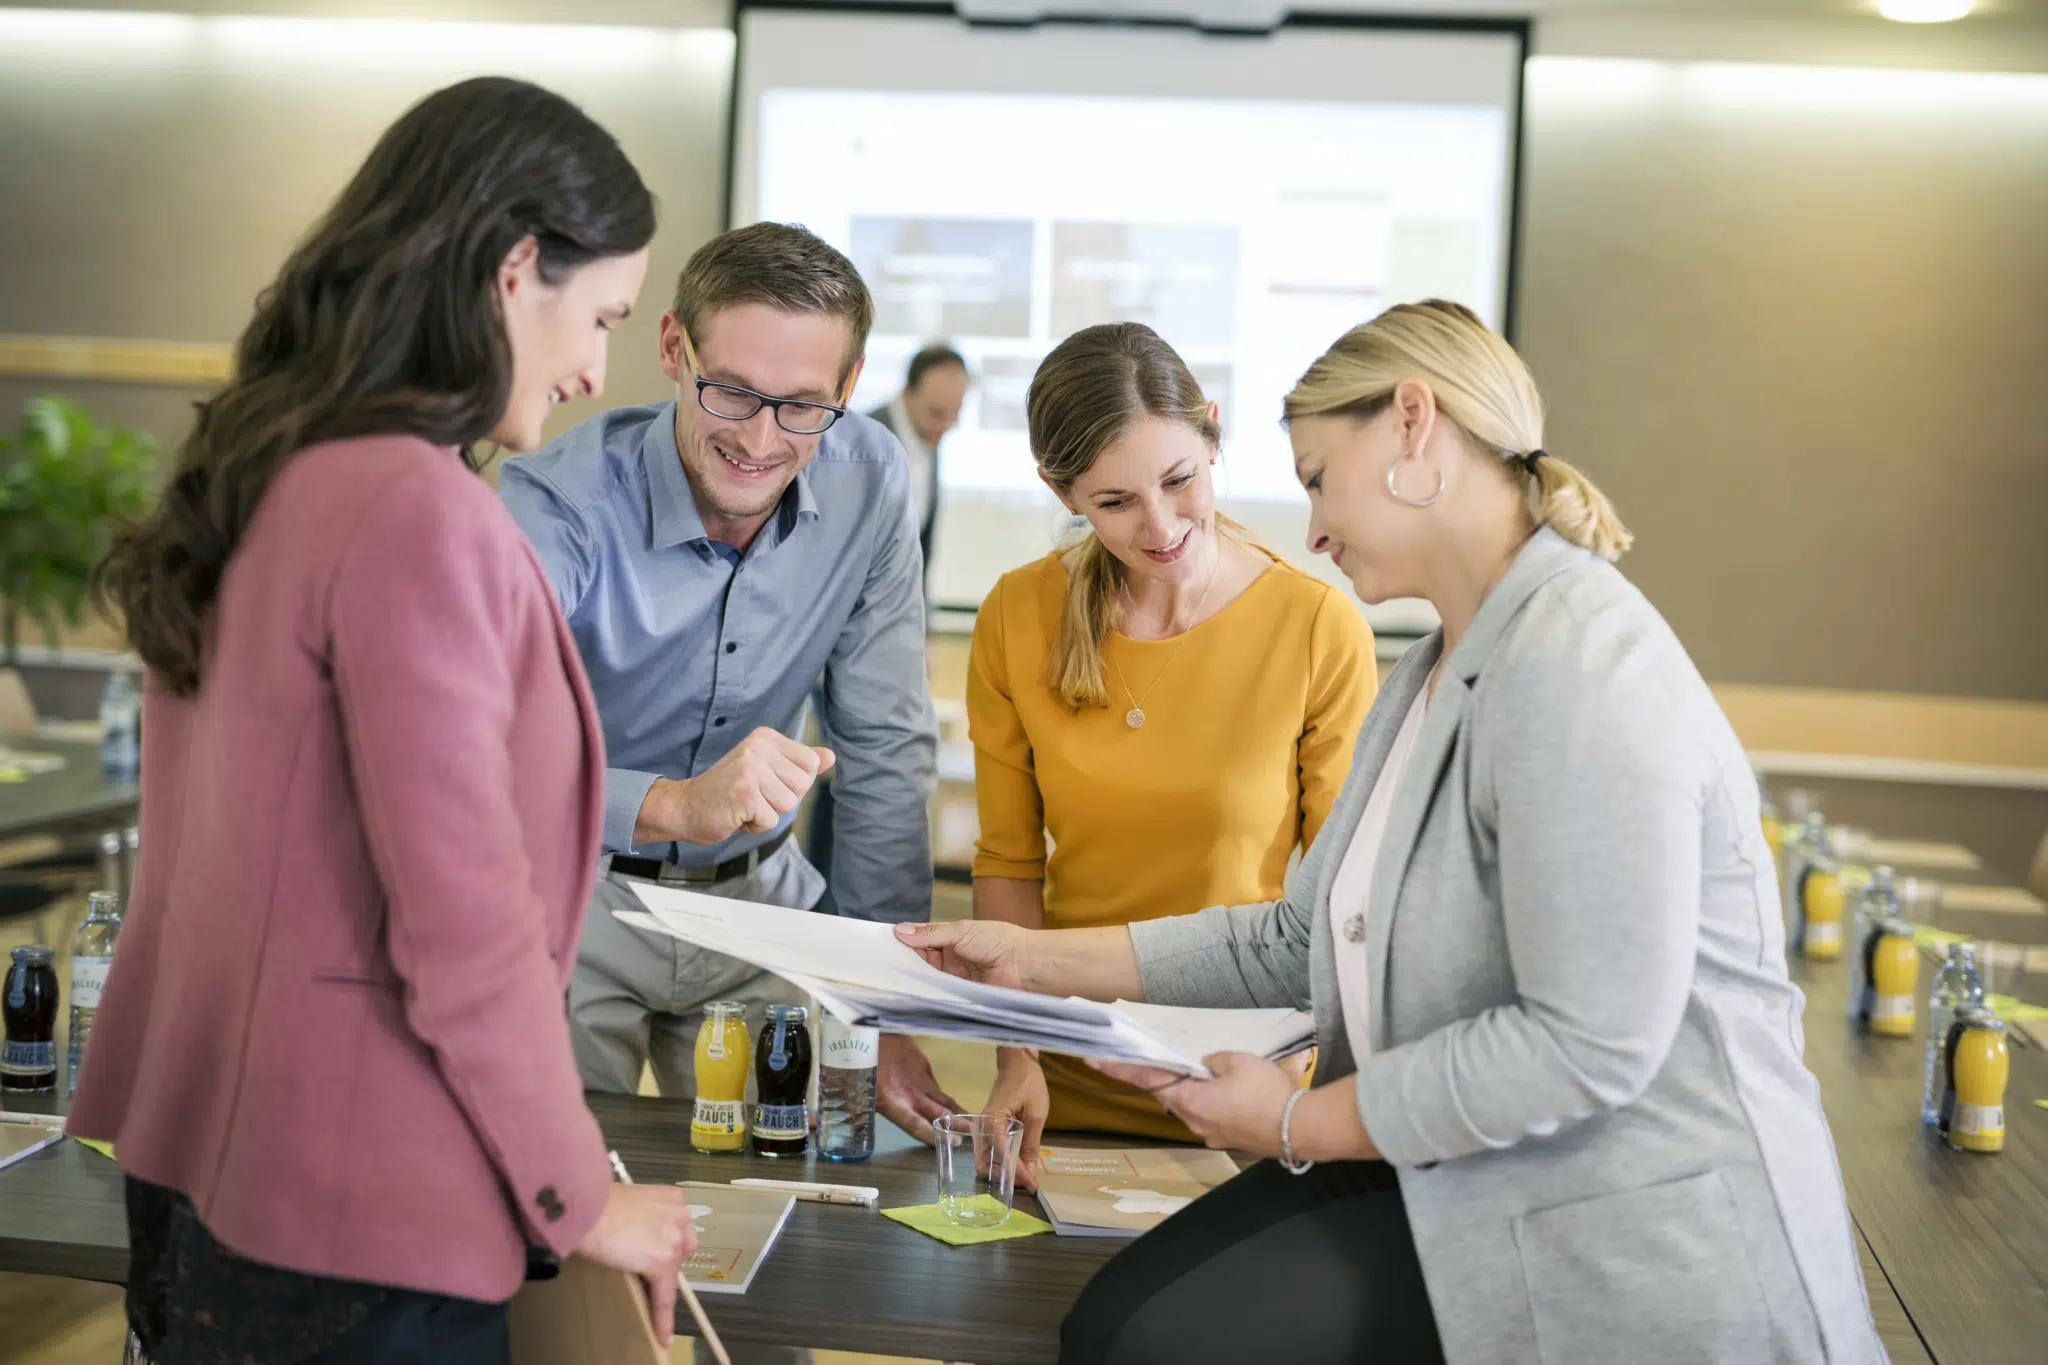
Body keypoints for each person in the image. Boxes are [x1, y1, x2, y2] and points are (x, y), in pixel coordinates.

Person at [898, 301, 1884, 1363]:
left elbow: (1582, 1047)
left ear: (1413, 425)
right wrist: (1028, 958)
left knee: (1142, 1333)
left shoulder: (1578, 666)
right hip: (1462, 1176)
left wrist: (1288, 1125)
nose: (1309, 528)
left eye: (1317, 476)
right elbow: (1295, 936)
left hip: (1629, 1234)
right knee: (1119, 1325)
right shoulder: (1435, 670)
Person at [71, 79, 698, 1364]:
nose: (592, 370)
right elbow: (463, 923)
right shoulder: (412, 510)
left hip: (209, 1167)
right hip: (359, 1198)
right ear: (516, 269)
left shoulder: (266, 469)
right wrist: (583, 1196)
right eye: (601, 318)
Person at [499, 222, 955, 1140]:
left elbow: (885, 748)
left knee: (821, 1188)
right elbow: (472, 747)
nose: (759, 439)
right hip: (576, 900)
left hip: (761, 907)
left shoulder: (872, 482)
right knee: (550, 1211)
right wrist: (668, 805)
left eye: (801, 405)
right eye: (732, 392)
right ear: (674, 348)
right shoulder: (557, 506)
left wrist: (887, 998)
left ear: (850, 388)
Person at [968, 322, 1375, 1177]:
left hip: (1245, 1089)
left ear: (1213, 433)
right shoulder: (1016, 615)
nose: (1159, 527)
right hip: (1069, 1080)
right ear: (1061, 490)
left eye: (1179, 480)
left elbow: (1345, 906)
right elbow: (1008, 863)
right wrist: (1018, 1055)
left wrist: (1304, 1104)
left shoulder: (1314, 626)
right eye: (1114, 502)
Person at [869, 342, 970, 590]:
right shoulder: (864, 443)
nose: (947, 425)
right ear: (907, 394)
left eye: (955, 413)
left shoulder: (929, 436)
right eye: (937, 413)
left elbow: (921, 547)